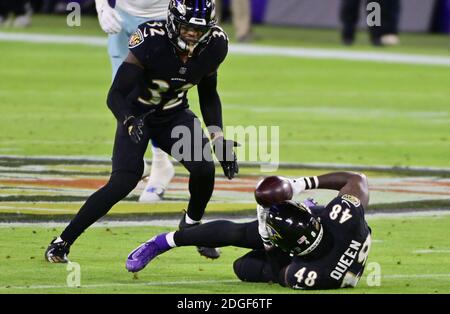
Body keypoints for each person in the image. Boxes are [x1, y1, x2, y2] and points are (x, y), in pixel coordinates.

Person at [45, 0, 239, 263]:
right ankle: (62, 241)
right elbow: (116, 94)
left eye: (198, 28)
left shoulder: (216, 43)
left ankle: (191, 226)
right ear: (172, 21)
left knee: (204, 168)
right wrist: (128, 120)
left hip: (173, 115)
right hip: (137, 115)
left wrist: (217, 137)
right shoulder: (151, 39)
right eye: (186, 26)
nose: (193, 33)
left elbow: (208, 93)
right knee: (123, 182)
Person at [125, 171, 372, 290]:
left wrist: (267, 237)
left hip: (317, 265)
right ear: (314, 221)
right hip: (327, 243)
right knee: (242, 233)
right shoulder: (345, 221)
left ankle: (266, 235)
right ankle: (161, 242)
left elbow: (281, 274)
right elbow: (358, 180)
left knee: (243, 267)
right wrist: (299, 185)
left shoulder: (308, 274)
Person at [95, 0, 175, 203]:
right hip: (123, 14)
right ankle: (130, 162)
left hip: (164, 17)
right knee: (122, 95)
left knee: (155, 95)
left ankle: (161, 162)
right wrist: (102, 7)